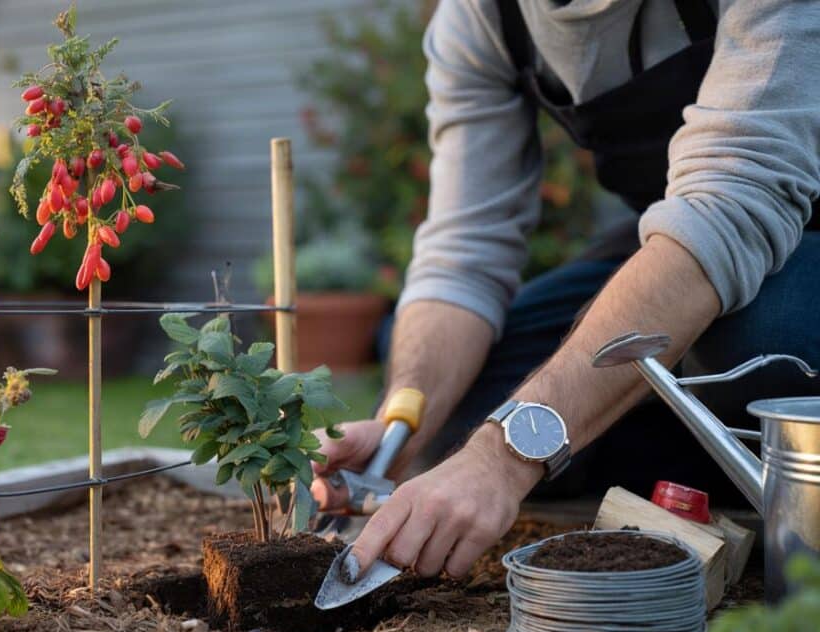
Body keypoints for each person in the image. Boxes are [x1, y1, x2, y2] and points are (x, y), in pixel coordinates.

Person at [312, 0, 820, 581]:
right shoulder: (483, 15)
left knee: (757, 341)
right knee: (469, 410)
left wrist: (505, 456)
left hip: (763, 229)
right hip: (680, 236)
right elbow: (464, 250)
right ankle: (677, 433)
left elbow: (730, 205)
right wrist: (399, 432)